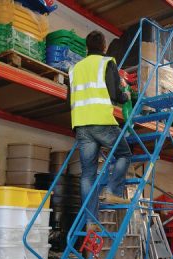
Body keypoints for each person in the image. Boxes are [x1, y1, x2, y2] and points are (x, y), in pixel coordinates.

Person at [68, 30, 132, 231]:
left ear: (87, 47)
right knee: (124, 154)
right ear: (104, 46)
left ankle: (91, 221)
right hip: (102, 122)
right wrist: (126, 95)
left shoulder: (74, 69)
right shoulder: (107, 62)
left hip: (81, 124)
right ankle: (113, 190)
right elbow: (114, 94)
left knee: (87, 174)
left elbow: (69, 99)